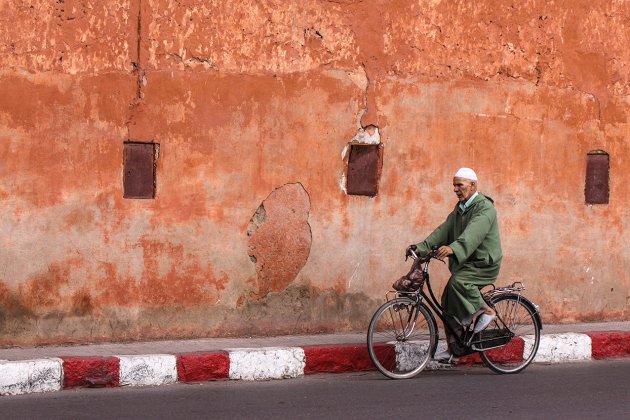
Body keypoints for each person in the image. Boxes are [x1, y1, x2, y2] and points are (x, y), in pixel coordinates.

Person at [408, 167, 502, 361]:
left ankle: (486, 310)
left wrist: (453, 249)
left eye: (459, 185)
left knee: (458, 283)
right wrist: (421, 248)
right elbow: (443, 231)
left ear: (473, 185)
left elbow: (474, 233)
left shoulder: (484, 208)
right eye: (454, 185)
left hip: (483, 263)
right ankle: (455, 348)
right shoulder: (459, 209)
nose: (455, 189)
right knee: (447, 302)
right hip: (468, 263)